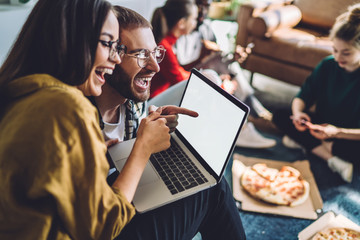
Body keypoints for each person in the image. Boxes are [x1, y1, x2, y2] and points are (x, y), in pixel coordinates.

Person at [0, 0, 172, 239]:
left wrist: (94, 158)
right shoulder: (68, 107)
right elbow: (102, 228)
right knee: (210, 192)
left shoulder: (22, 93)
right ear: (71, 41)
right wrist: (142, 149)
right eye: (108, 44)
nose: (115, 58)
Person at [93, 6, 247, 240]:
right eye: (141, 55)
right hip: (101, 223)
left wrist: (149, 128)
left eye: (155, 53)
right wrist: (142, 146)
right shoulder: (78, 117)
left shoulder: (132, 105)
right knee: (211, 188)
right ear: (111, 56)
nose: (155, 66)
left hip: (121, 197)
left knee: (208, 179)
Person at [150, 0, 276, 149]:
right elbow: (178, 79)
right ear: (182, 23)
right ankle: (237, 128)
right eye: (194, 18)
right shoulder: (164, 46)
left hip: (160, 97)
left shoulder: (166, 43)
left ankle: (240, 124)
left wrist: (204, 57)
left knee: (215, 70)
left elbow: (177, 71)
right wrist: (222, 86)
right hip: (153, 105)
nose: (197, 22)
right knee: (210, 77)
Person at [272, 3, 360, 183]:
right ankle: (332, 159)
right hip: (321, 127)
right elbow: (302, 96)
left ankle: (311, 145)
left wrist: (336, 133)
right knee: (281, 115)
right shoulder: (328, 65)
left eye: (346, 53)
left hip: (347, 135)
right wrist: (298, 115)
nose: (338, 58)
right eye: (335, 50)